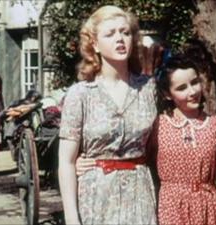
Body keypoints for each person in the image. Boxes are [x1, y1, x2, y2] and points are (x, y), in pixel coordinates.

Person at [58, 5, 157, 225]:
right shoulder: (81, 94)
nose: (120, 39)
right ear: (95, 44)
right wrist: (72, 218)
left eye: (125, 32)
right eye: (110, 34)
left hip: (140, 197)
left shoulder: (149, 88)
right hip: (96, 198)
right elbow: (66, 162)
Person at [152, 56, 216, 225]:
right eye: (182, 88)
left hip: (210, 211)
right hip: (171, 212)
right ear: (167, 94)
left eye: (194, 82)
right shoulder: (157, 126)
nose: (192, 92)